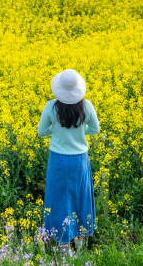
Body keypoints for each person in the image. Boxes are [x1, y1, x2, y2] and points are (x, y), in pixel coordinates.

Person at [37, 69, 100, 251]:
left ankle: (64, 246)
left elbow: (42, 132)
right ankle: (79, 246)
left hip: (58, 160)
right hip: (79, 160)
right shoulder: (87, 106)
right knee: (80, 198)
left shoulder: (51, 106)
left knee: (58, 200)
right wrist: (80, 132)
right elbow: (95, 130)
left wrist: (56, 132)